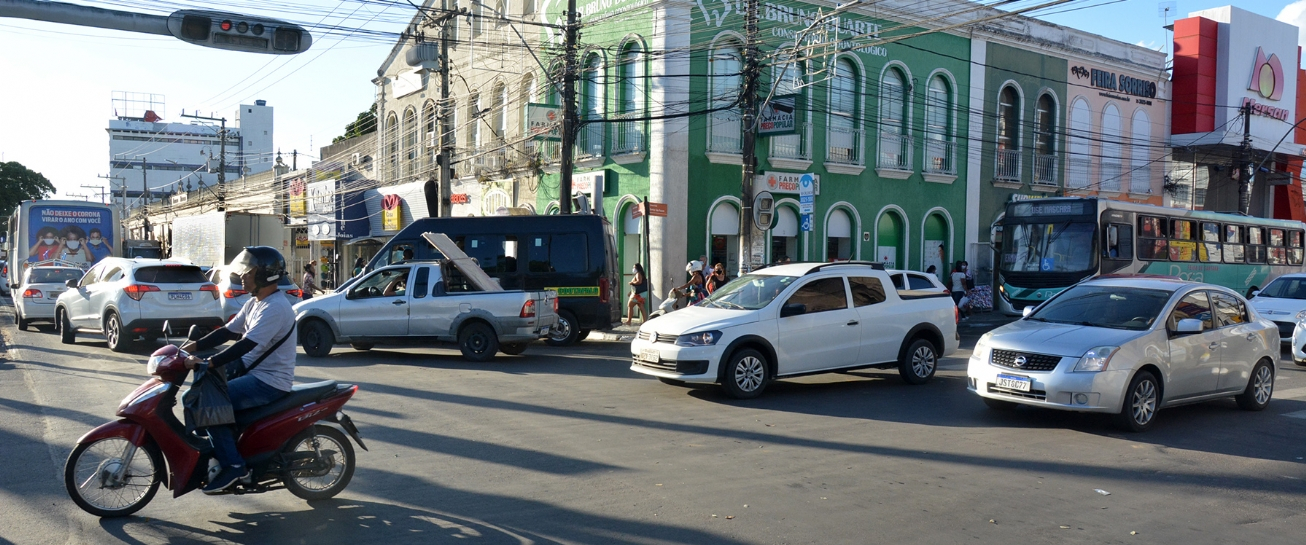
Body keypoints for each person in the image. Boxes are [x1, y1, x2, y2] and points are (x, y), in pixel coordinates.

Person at [181, 246, 296, 494]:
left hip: (269, 382)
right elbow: (228, 331)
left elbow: (245, 344)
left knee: (208, 402)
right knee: (197, 394)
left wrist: (209, 362)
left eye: (249, 272)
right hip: (251, 373)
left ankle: (234, 466)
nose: (242, 276)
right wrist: (194, 346)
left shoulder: (275, 307)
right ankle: (223, 449)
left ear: (264, 275)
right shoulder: (256, 302)